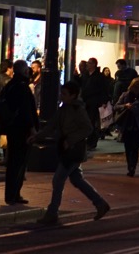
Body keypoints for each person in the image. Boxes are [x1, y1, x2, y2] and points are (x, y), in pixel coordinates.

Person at [31, 81, 110, 225]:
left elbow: (87, 128)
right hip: (67, 149)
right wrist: (37, 136)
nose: (62, 96)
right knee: (77, 180)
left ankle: (52, 213)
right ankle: (100, 203)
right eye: (62, 93)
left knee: (58, 179)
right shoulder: (65, 108)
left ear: (73, 95)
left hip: (73, 151)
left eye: (65, 94)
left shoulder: (77, 109)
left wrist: (70, 140)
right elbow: (52, 125)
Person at [0, 60, 38, 205]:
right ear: (24, 71)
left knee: (14, 161)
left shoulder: (10, 86)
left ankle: (12, 194)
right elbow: (26, 110)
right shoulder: (22, 87)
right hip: (21, 129)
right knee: (19, 162)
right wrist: (32, 127)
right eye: (27, 69)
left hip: (12, 128)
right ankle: (14, 194)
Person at [114, 77, 139, 176]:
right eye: (134, 87)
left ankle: (132, 167)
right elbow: (116, 106)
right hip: (127, 125)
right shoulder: (125, 95)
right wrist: (125, 106)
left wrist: (135, 110)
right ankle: (130, 165)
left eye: (138, 88)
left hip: (137, 126)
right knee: (128, 147)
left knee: (134, 148)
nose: (136, 90)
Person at [80, 56, 111, 149]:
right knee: (87, 121)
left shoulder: (99, 76)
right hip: (86, 101)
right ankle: (88, 140)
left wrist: (104, 101)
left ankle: (91, 141)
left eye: (89, 63)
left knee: (92, 121)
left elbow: (104, 89)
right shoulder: (86, 75)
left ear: (93, 64)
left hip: (94, 102)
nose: (87, 65)